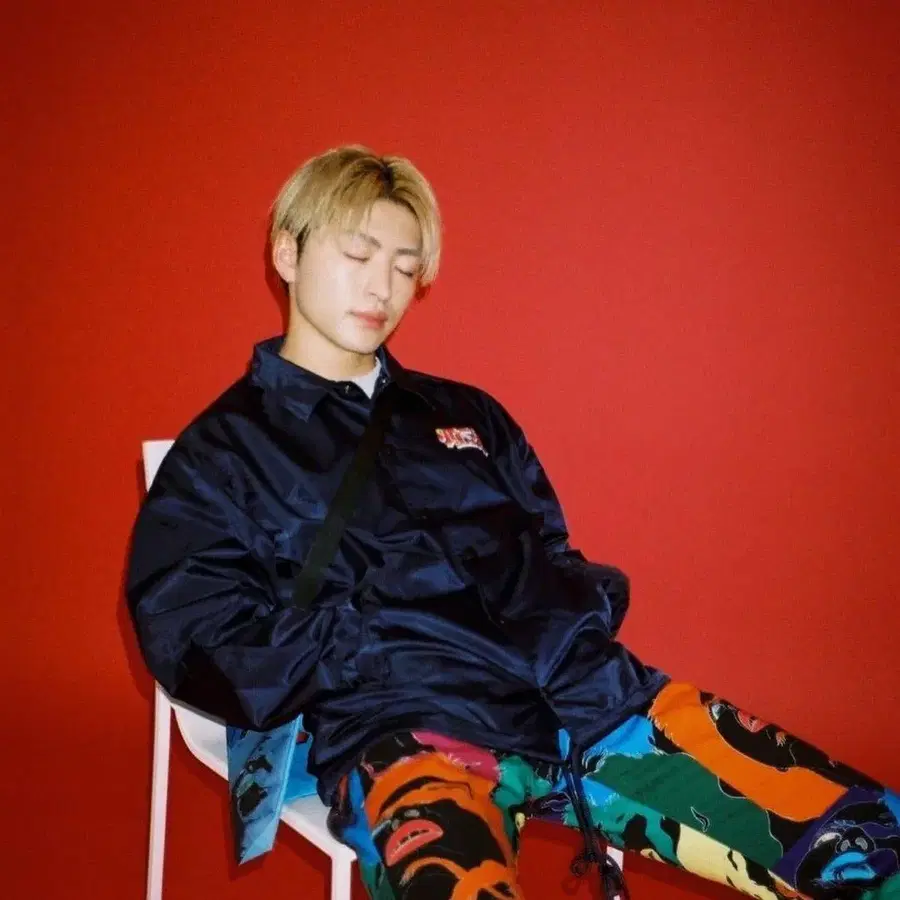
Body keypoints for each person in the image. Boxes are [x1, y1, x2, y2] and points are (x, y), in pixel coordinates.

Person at [126, 145, 900, 900]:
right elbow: (193, 630)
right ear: (287, 254)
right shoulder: (223, 453)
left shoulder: (467, 415)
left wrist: (575, 619)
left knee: (868, 843)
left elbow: (546, 543)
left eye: (404, 266)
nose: (382, 287)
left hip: (589, 701)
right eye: (358, 254)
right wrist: (366, 648)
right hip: (410, 734)